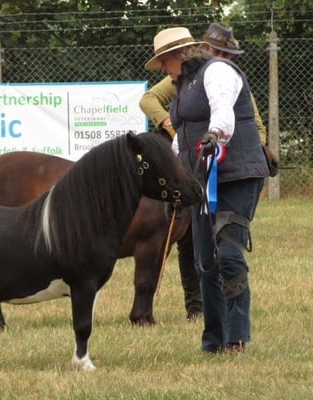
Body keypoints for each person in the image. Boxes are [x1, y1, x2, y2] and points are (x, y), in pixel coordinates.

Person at [143, 26, 270, 353]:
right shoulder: (181, 83)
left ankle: (236, 338)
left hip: (236, 174)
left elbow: (222, 111)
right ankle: (213, 341)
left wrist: (215, 136)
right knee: (205, 261)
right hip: (199, 179)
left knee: (227, 253)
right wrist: (174, 172)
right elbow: (181, 135)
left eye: (164, 62)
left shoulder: (218, 72)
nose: (164, 68)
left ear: (177, 55)